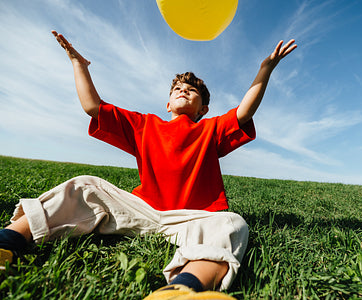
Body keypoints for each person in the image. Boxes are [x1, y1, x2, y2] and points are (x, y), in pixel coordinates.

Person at [0, 30, 296, 299]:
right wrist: (79, 64)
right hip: (143, 210)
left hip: (191, 218)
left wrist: (264, 70)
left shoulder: (211, 129)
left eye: (191, 91)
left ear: (203, 109)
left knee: (233, 224)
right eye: (178, 88)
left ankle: (183, 289)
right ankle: (9, 240)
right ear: (168, 103)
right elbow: (93, 107)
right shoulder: (144, 125)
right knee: (84, 185)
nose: (184, 91)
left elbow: (244, 113)